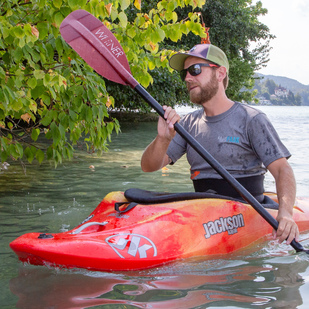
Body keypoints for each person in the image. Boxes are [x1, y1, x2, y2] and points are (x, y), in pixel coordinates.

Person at [141, 43, 300, 245]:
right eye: (185, 74)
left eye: (195, 70)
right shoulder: (187, 124)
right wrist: (163, 138)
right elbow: (148, 166)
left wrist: (286, 214)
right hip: (203, 212)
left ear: (220, 73)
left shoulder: (251, 119)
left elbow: (282, 170)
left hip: (246, 210)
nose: (188, 78)